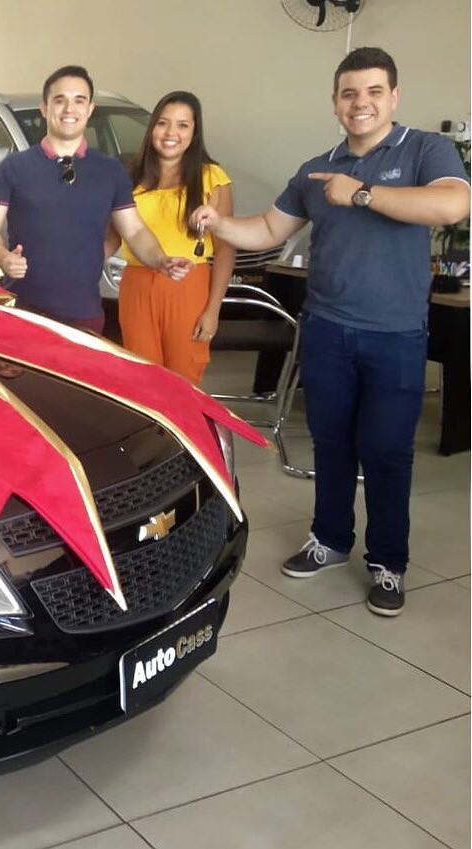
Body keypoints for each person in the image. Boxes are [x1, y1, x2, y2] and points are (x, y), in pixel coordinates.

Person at [192, 47, 470, 616]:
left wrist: (362, 193)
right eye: (349, 93)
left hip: (395, 335)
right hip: (326, 330)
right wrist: (218, 223)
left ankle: (388, 562)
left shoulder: (424, 149)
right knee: (331, 442)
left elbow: (453, 205)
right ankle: (330, 539)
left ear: (394, 97)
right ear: (336, 102)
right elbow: (268, 228)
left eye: (373, 92)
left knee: (387, 451)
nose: (360, 103)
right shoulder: (316, 169)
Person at [0, 65, 192, 334]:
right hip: (23, 308)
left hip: (84, 313)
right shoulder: (14, 167)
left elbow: (134, 230)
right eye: (60, 100)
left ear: (90, 109)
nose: (70, 109)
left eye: (79, 100)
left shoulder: (110, 171)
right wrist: (4, 257)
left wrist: (162, 260)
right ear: (44, 108)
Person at [107, 91, 234, 384]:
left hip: (188, 286)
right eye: (163, 123)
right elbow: (111, 239)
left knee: (183, 380)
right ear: (152, 127)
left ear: (194, 132)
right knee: (141, 380)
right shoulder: (129, 178)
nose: (170, 133)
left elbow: (226, 250)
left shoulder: (212, 177)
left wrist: (213, 310)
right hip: (137, 287)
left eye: (182, 125)